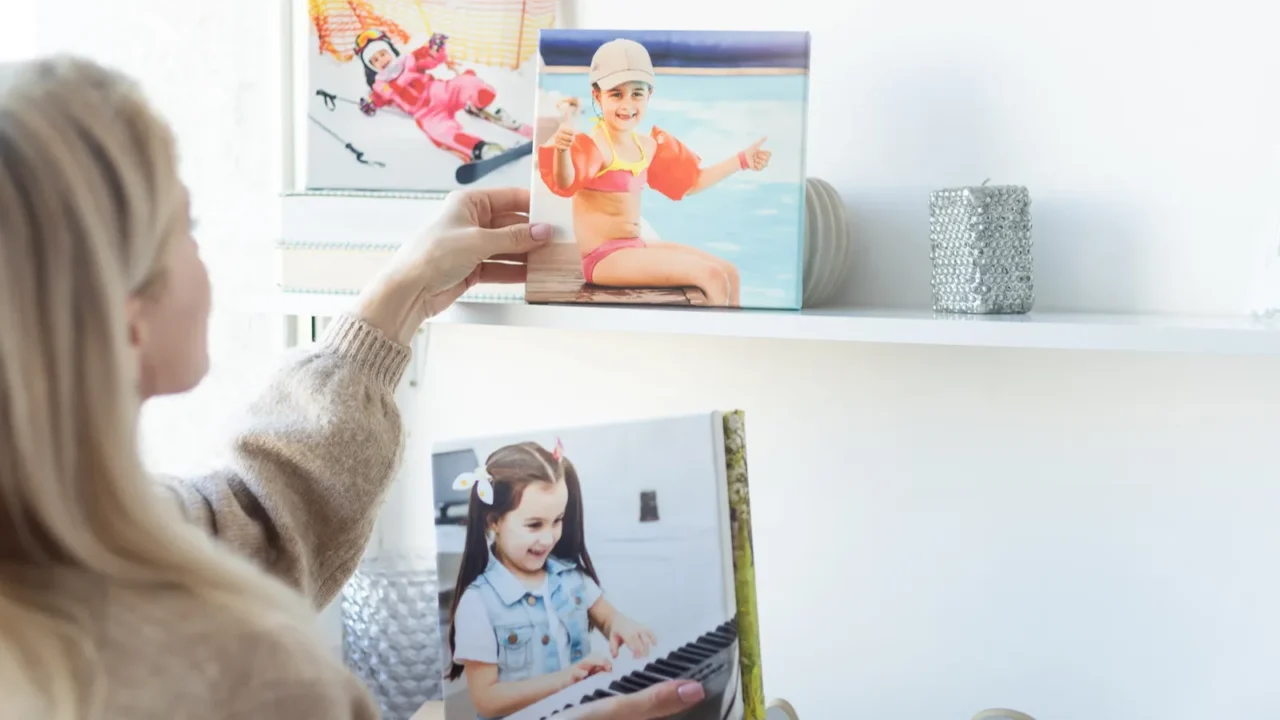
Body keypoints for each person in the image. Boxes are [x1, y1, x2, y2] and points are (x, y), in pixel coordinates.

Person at [0, 54, 700, 720]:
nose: (206, 259)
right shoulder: (237, 672)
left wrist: (400, 294)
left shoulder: (60, 566)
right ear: (127, 326)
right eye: (188, 228)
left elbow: (253, 527)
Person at [537, 37, 772, 307]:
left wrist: (741, 160)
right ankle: (714, 344)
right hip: (603, 259)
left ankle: (733, 339)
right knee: (712, 276)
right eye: (616, 94)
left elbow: (692, 182)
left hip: (634, 247)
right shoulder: (596, 145)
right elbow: (566, 182)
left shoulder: (647, 145)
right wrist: (562, 151)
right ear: (597, 95)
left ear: (649, 95)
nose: (627, 105)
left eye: (636, 93)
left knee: (730, 272)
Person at [445, 440, 658, 719]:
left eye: (557, 520)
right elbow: (486, 699)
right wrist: (565, 679)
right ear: (493, 521)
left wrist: (622, 625)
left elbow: (607, 618)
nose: (548, 538)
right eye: (534, 525)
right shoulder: (477, 603)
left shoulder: (571, 577)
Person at [356, 29, 532, 164]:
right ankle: (480, 148)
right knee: (440, 133)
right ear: (371, 67)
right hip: (426, 114)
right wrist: (371, 104)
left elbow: (430, 58)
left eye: (382, 53)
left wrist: (435, 48)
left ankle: (486, 109)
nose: (382, 60)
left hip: (440, 91)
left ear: (390, 51)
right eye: (375, 60)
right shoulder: (380, 85)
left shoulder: (409, 60)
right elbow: (378, 99)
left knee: (467, 83)